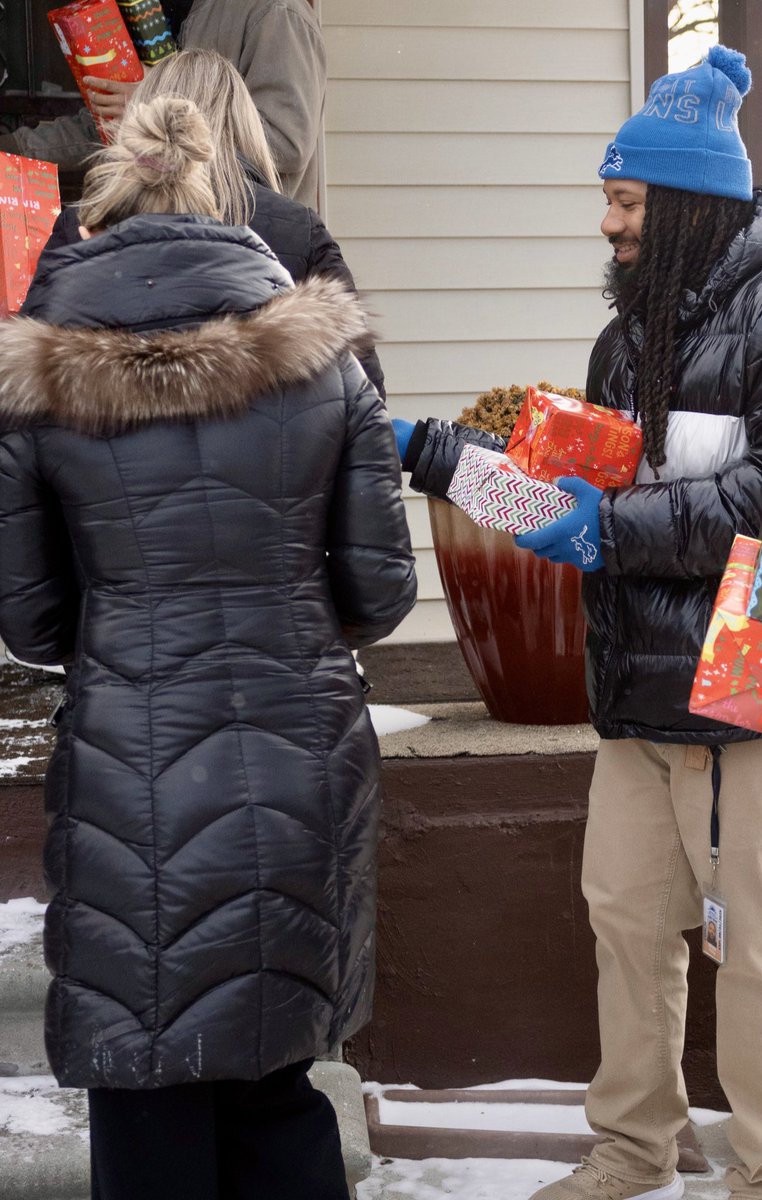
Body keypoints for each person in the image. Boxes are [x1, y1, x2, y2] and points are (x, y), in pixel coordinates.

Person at [398, 46, 762, 1200]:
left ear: (689, 207)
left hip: (761, 689)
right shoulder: (628, 338)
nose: (607, 226)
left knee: (758, 945)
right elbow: (587, 502)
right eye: (607, 202)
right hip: (640, 691)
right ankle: (635, 1144)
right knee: (624, 917)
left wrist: (610, 531)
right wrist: (451, 465)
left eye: (624, 203)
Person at [0, 94, 415, 1200]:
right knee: (275, 1076)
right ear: (219, 201)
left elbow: (31, 622)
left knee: (148, 1086)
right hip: (300, 758)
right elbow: (378, 593)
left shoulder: (38, 380)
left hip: (131, 765)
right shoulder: (327, 361)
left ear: (99, 217)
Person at [37, 46, 385, 398]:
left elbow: (33, 377)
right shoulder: (299, 229)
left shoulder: (86, 221)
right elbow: (365, 392)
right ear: (245, 124)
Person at [3, 0, 325, 208]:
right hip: (177, 244)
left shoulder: (279, 11)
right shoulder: (159, 11)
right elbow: (111, 118)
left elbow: (286, 142)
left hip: (257, 251)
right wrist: (12, 150)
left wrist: (157, 100)